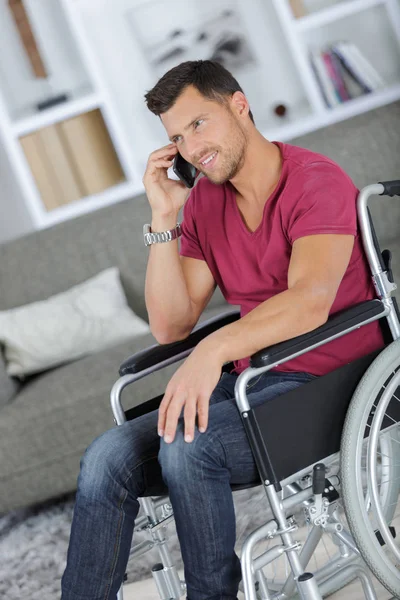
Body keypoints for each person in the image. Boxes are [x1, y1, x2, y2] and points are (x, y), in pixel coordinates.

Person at [61, 60, 384, 600]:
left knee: (189, 447)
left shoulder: (315, 181)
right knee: (106, 458)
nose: (191, 148)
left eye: (199, 124)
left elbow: (308, 303)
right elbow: (171, 323)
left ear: (239, 104)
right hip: (252, 383)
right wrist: (164, 221)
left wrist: (212, 352)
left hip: (331, 380)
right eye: (176, 137)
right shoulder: (206, 203)